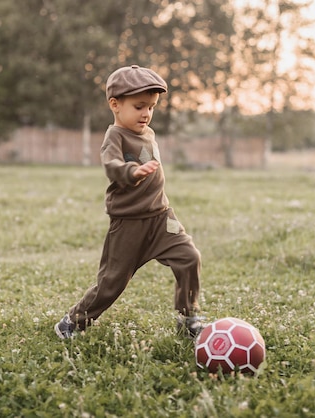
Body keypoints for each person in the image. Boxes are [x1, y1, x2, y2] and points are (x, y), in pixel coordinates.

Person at [54, 65, 204, 339]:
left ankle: (188, 318)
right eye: (139, 106)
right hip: (129, 224)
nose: (146, 113)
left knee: (189, 257)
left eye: (152, 107)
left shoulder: (149, 132)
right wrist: (132, 172)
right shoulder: (115, 136)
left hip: (162, 218)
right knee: (112, 283)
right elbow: (111, 165)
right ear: (115, 105)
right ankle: (73, 322)